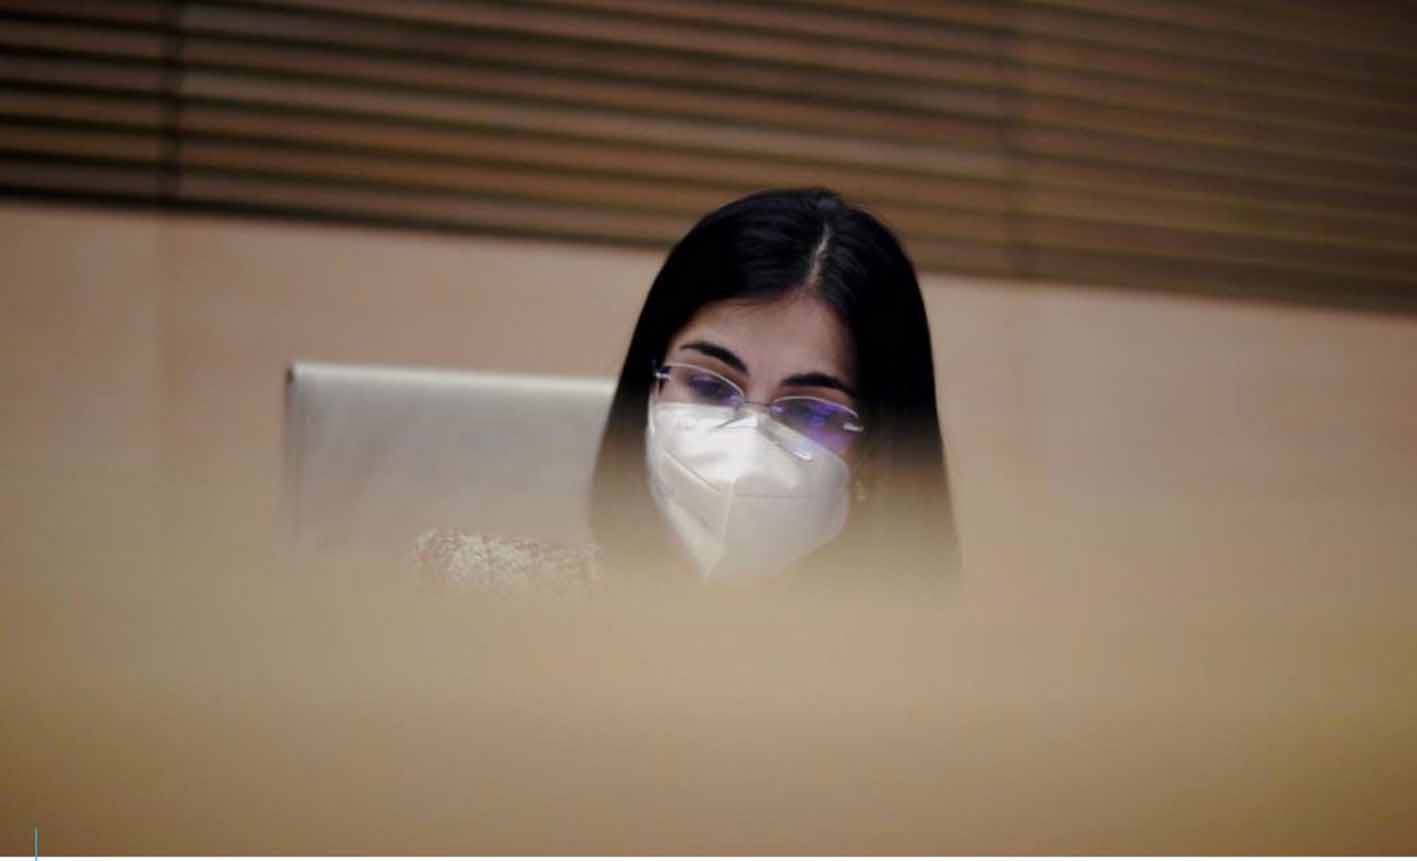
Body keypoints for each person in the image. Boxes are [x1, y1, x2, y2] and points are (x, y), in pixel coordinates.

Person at [590, 188, 958, 589]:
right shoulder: (536, 611)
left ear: (877, 450)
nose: (746, 451)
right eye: (709, 386)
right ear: (649, 387)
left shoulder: (921, 650)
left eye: (810, 413)